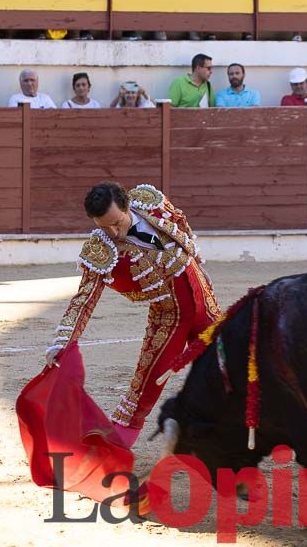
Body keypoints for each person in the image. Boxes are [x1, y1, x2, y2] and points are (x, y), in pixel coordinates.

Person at [41, 181, 222, 452]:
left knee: (228, 365)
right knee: (146, 386)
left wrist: (195, 259)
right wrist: (63, 341)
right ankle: (115, 450)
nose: (114, 232)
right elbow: (84, 299)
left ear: (128, 206)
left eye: (117, 222)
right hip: (168, 319)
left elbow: (180, 222)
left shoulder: (152, 203)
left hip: (204, 303)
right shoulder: (102, 250)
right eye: (104, 227)